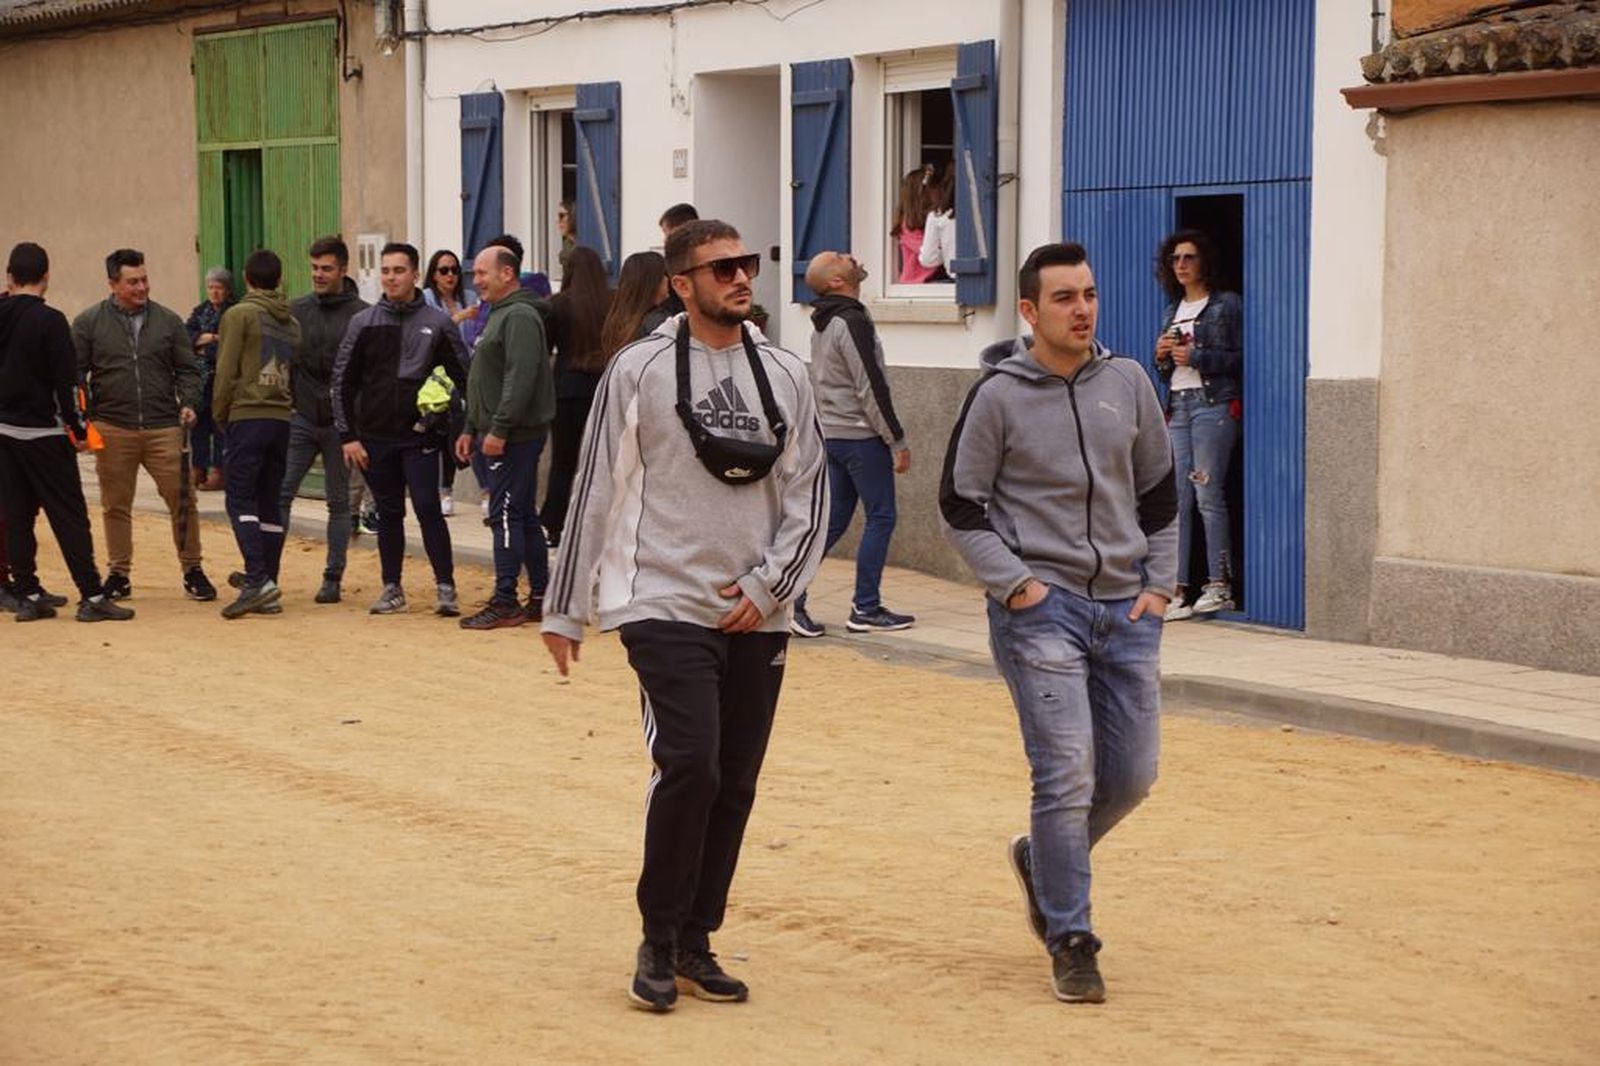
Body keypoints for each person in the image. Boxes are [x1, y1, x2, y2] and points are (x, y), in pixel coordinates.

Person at [541, 219, 828, 1013]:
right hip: (661, 597)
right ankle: (658, 938)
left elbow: (812, 493)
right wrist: (565, 605)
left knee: (734, 781)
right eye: (723, 267)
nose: (742, 277)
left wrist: (771, 589)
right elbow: (593, 482)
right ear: (681, 284)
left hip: (755, 611)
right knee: (692, 763)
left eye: (748, 263)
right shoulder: (636, 370)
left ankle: (699, 939)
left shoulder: (786, 372)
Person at [940, 242, 1177, 1005]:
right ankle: (1072, 937)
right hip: (1044, 613)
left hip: (1127, 610)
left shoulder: (1130, 382)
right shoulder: (998, 397)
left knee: (1132, 777)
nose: (1083, 309)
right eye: (1065, 298)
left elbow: (1160, 495)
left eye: (1090, 294)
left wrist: (1161, 587)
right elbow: (961, 503)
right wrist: (1017, 587)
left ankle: (1041, 864)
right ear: (1030, 312)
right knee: (1066, 775)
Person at [331, 242, 469, 616]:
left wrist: (457, 424)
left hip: (420, 435)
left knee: (427, 507)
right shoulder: (363, 323)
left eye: (399, 270)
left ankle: (446, 587)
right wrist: (348, 436)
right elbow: (342, 382)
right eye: (386, 270)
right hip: (374, 438)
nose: (391, 277)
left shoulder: (437, 323)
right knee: (389, 513)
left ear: (413, 273)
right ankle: (392, 588)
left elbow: (465, 377)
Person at [0, 242, 134, 622]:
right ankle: (91, 596)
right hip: (44, 431)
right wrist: (77, 427)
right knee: (70, 515)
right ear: (46, 276)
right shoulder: (51, 321)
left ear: (10, 276)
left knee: (17, 513)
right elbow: (67, 382)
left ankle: (27, 592)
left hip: (5, 431)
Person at [73, 248, 216, 603]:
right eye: (132, 281)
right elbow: (75, 374)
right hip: (112, 427)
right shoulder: (89, 322)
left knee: (183, 500)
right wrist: (87, 415)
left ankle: (192, 569)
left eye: (144, 280)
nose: (141, 287)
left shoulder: (167, 322)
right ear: (113, 284)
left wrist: (189, 402)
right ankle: (118, 574)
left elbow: (188, 369)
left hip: (164, 426)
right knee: (116, 505)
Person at [790, 251, 914, 638]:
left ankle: (790, 599)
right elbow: (870, 385)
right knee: (881, 517)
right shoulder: (851, 320)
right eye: (842, 258)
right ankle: (866, 607)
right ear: (836, 282)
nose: (852, 257)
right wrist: (896, 440)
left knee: (832, 522)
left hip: (834, 437)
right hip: (861, 438)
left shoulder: (821, 323)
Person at [455, 245, 556, 629]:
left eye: (482, 273)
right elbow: (484, 378)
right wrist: (470, 427)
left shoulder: (520, 317)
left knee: (505, 515)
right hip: (495, 432)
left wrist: (499, 429)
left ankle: (505, 599)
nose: (476, 280)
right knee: (523, 514)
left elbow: (521, 377)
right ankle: (542, 596)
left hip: (513, 437)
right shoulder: (496, 314)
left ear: (507, 274)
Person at [1153, 229, 1242, 620]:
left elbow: (1242, 359)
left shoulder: (1226, 305)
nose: (1181, 265)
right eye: (1175, 259)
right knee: (1178, 502)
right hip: (1179, 406)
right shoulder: (1173, 309)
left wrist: (1199, 357)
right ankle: (1176, 589)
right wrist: (1161, 357)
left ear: (1204, 260)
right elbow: (1167, 371)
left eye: (1189, 257)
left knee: (1208, 496)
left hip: (1212, 407)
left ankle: (1219, 585)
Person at [280, 235, 367, 604]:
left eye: (326, 268)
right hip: (300, 417)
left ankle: (333, 577)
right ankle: (265, 571)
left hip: (340, 425)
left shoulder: (362, 315)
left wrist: (357, 426)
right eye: (314, 268)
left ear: (343, 270)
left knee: (339, 502)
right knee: (281, 494)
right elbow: (278, 360)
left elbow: (368, 374)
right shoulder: (296, 311)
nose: (318, 274)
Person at [213, 249, 297, 619]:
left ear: (246, 278)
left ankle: (257, 580)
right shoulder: (291, 322)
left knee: (239, 500)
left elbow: (226, 369)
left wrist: (220, 414)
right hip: (281, 418)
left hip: (247, 415)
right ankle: (268, 583)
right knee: (269, 503)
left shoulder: (239, 314)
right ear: (279, 280)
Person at [541, 245, 612, 548]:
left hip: (567, 388)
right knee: (602, 462)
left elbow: (546, 349)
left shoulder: (558, 304)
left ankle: (554, 525)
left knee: (563, 461)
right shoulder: (612, 300)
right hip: (603, 387)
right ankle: (601, 527)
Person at [422, 248, 478, 517]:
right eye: (444, 270)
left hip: (465, 371)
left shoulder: (468, 297)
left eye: (455, 270)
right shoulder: (427, 299)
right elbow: (432, 333)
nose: (451, 275)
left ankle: (458, 487)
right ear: (433, 274)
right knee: (441, 429)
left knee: (464, 423)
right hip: (435, 375)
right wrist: (458, 318)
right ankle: (443, 490)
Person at [184, 267, 234, 490]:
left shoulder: (232, 312)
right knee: (198, 426)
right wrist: (212, 337)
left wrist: (204, 345)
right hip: (200, 379)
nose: (214, 292)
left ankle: (219, 472)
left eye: (219, 288)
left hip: (221, 377)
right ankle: (198, 468)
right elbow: (187, 338)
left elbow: (229, 345)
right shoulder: (200, 311)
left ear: (227, 290)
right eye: (211, 287)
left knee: (219, 426)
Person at [600, 252, 670, 355]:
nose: (668, 279)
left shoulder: (618, 318)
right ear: (653, 281)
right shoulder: (659, 323)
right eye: (665, 274)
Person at [892, 166, 940, 284]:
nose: (941, 193)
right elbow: (931, 254)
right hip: (917, 284)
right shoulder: (908, 227)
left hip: (934, 281)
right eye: (936, 189)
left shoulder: (932, 220)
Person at [918, 164, 957, 281]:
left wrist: (947, 252)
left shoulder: (937, 215)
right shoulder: (983, 212)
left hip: (956, 279)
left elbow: (927, 258)